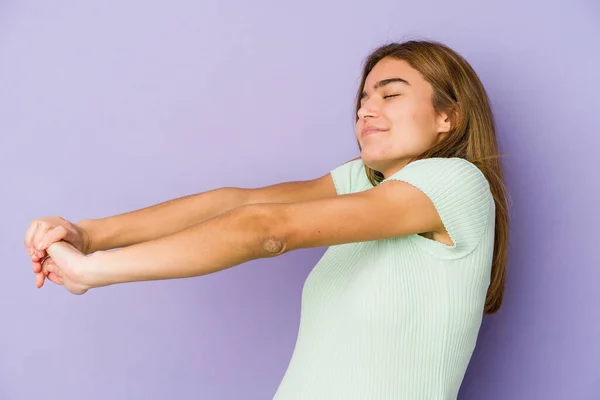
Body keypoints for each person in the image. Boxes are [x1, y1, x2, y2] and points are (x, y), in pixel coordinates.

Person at [24, 39, 509, 399]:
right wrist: (90, 234)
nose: (366, 109)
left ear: (449, 117)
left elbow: (266, 229)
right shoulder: (362, 183)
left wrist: (95, 272)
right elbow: (236, 203)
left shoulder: (456, 182)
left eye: (390, 94)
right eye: (363, 98)